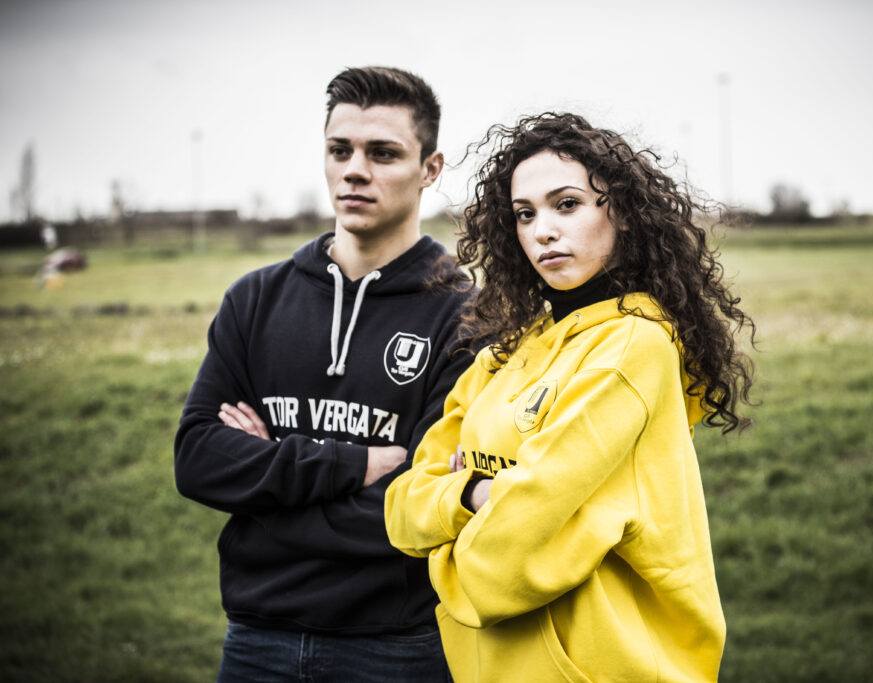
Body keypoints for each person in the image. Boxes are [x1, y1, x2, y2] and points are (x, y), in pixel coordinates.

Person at [384, 112, 755, 682]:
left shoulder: (634, 344)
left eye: (566, 205)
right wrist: (478, 494)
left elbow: (501, 566)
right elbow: (401, 507)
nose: (543, 231)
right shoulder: (506, 352)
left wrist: (449, 529)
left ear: (622, 213)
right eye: (525, 214)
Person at [174, 66, 474, 682]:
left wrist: (264, 492)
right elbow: (198, 459)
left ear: (431, 169)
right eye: (340, 150)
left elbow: (422, 505)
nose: (355, 170)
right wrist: (350, 465)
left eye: (383, 153)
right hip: (256, 641)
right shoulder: (255, 299)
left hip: (396, 647)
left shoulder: (467, 319)